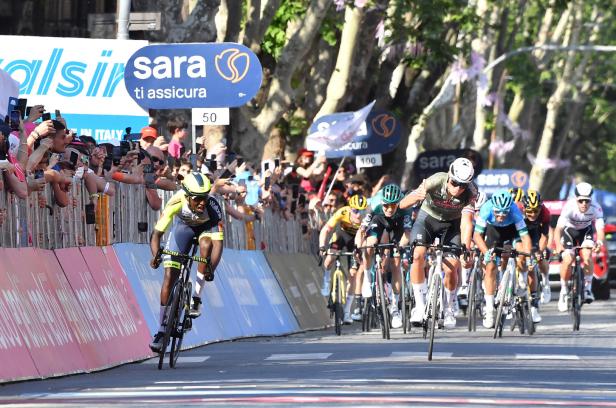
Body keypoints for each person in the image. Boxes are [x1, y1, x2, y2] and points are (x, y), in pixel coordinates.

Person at [148, 172, 224, 352]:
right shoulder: (176, 201)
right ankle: (161, 330)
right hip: (184, 229)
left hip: (205, 230)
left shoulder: (213, 207)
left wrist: (211, 268)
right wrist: (156, 255)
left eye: (204, 198)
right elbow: (156, 234)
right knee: (169, 277)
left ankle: (196, 297)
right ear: (187, 196)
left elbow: (218, 244)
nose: (202, 203)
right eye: (197, 199)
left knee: (206, 245)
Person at [400, 157, 478, 329]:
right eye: (455, 183)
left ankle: (449, 307)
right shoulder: (436, 180)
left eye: (462, 185)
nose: (457, 189)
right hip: (427, 220)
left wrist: (466, 248)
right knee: (418, 254)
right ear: (449, 176)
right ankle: (419, 306)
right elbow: (402, 204)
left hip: (452, 226)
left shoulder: (471, 193)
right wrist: (416, 196)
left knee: (452, 266)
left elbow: (466, 222)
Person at [473, 190, 533, 328]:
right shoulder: (486, 209)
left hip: (510, 231)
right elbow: (477, 236)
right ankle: (489, 310)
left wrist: (528, 256)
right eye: (497, 212)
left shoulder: (515, 211)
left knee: (514, 253)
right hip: (492, 231)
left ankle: (512, 283)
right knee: (490, 266)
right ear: (493, 208)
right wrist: (486, 252)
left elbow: (525, 236)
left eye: (504, 212)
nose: (501, 215)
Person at [361, 184, 413, 329]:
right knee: (370, 244)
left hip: (398, 225)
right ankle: (367, 277)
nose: (389, 209)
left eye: (393, 206)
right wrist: (360, 246)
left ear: (398, 203)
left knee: (396, 263)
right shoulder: (375, 205)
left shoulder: (405, 207)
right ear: (381, 202)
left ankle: (395, 308)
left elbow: (407, 233)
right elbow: (362, 230)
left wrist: (400, 247)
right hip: (379, 220)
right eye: (386, 206)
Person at [554, 182, 605, 311]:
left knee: (587, 256)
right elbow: (558, 229)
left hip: (585, 232)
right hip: (569, 232)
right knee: (568, 259)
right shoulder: (569, 206)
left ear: (591, 200)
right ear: (576, 199)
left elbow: (600, 230)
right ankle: (564, 291)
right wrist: (559, 246)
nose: (584, 204)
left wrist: (599, 242)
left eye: (587, 201)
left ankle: (587, 289)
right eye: (581, 201)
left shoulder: (596, 207)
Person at [319, 194, 369, 323]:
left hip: (356, 241)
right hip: (341, 236)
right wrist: (322, 247)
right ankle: (327, 278)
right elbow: (326, 229)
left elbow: (366, 238)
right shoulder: (342, 212)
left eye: (362, 211)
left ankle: (347, 312)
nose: (358, 215)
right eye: (355, 210)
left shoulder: (367, 217)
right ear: (350, 208)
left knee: (353, 274)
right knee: (330, 257)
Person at [518, 190, 552, 307]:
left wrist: (539, 252)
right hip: (520, 233)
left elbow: (544, 236)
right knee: (521, 254)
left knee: (540, 258)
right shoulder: (517, 211)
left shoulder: (545, 213)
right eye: (529, 211)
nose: (533, 214)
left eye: (536, 211)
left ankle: (546, 282)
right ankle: (521, 277)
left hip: (536, 234)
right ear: (523, 208)